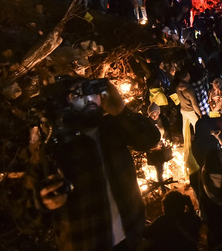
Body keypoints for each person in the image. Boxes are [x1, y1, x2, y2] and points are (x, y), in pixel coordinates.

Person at [27, 77, 160, 251]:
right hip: (87, 243)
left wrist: (122, 111)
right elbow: (26, 219)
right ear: (65, 102)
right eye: (78, 95)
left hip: (131, 234)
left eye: (92, 92)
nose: (89, 100)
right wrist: (42, 201)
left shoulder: (112, 127)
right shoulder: (53, 147)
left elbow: (150, 140)